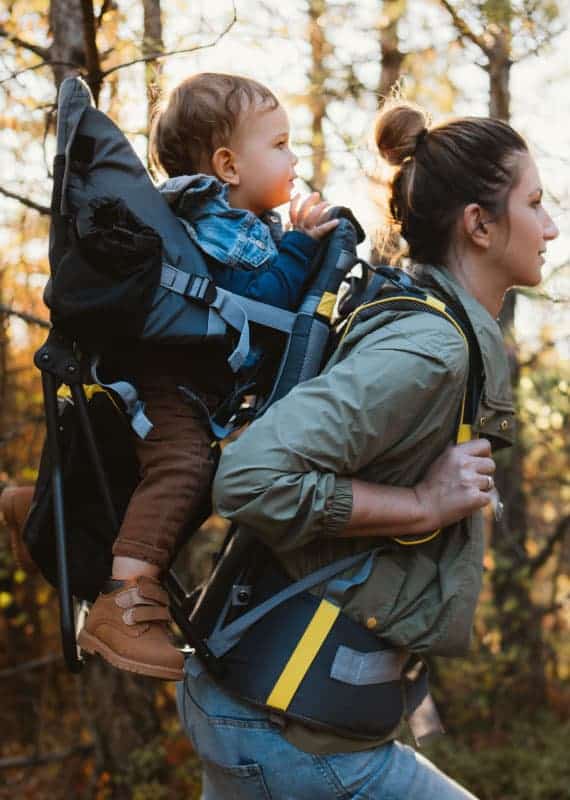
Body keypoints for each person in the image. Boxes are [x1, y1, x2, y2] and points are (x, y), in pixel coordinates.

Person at [177, 101, 559, 798]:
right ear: (478, 224)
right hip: (287, 735)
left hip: (276, 713)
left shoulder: (447, 333)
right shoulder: (430, 349)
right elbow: (250, 476)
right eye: (534, 204)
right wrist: (420, 504)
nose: (552, 226)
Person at [77, 73, 340, 681]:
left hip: (174, 378)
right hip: (162, 382)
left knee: (182, 470)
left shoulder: (231, 219)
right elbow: (253, 301)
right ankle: (124, 604)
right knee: (185, 467)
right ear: (228, 165)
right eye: (279, 144)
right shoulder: (220, 220)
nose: (293, 157)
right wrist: (302, 243)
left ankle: (32, 507)